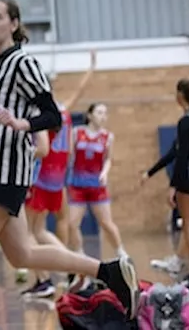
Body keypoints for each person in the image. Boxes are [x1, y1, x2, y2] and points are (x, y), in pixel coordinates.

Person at [0, 0, 138, 327]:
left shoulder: (23, 63)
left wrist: (24, 125)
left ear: (14, 24)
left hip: (5, 171)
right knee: (22, 254)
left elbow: (52, 115)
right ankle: (108, 271)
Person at [18, 50, 95, 297]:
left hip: (39, 177)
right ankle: (73, 267)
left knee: (27, 233)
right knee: (39, 231)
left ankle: (45, 280)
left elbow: (41, 148)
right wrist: (91, 66)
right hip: (56, 179)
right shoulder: (63, 109)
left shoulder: (38, 114)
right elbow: (81, 91)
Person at [141, 78, 189, 276]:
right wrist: (151, 172)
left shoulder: (186, 121)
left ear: (181, 96)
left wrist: (173, 186)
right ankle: (178, 261)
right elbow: (175, 151)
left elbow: (182, 157)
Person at [67, 101, 127, 261]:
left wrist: (105, 173)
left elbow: (109, 159)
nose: (103, 116)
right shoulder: (76, 132)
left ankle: (121, 252)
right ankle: (79, 254)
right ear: (90, 115)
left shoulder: (108, 137)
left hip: (97, 185)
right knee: (72, 223)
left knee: (106, 223)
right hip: (77, 184)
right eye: (99, 112)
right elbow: (69, 156)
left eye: (105, 113)